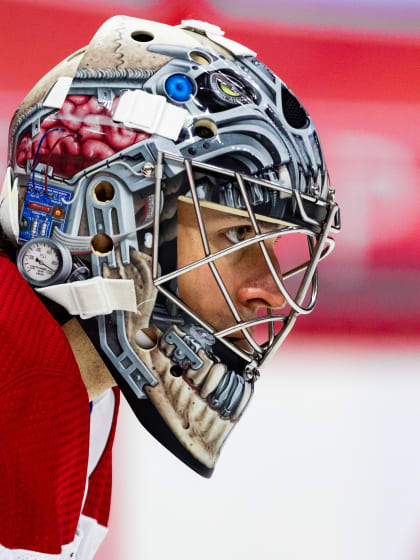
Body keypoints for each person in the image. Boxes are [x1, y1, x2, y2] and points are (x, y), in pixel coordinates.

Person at [0, 15, 340, 559]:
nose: (273, 293)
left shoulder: (73, 388)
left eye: (274, 245)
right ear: (109, 219)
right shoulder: (18, 390)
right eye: (236, 233)